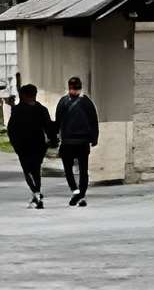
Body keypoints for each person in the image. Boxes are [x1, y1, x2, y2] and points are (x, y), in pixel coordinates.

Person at [53, 74, 100, 206]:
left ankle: (77, 192)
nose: (75, 90)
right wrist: (94, 137)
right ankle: (79, 193)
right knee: (81, 169)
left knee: (71, 169)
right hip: (79, 141)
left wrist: (55, 137)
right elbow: (93, 121)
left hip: (71, 141)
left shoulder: (64, 102)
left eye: (76, 88)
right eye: (74, 88)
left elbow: (58, 121)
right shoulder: (86, 102)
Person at [7, 81, 53, 209]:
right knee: (36, 170)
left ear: (24, 95)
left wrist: (14, 143)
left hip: (23, 146)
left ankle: (36, 193)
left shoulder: (18, 110)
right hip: (38, 145)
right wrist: (51, 141)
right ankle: (36, 193)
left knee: (28, 171)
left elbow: (11, 129)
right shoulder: (42, 110)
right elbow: (48, 127)